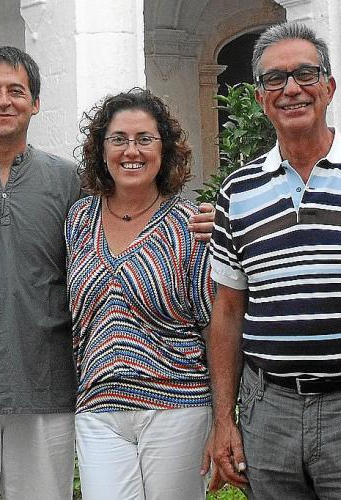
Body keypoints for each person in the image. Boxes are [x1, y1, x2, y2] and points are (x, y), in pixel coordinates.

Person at [0, 47, 216, 499]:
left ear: (35, 103)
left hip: (50, 391)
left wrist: (212, 223)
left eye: (16, 91)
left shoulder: (69, 185)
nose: (3, 101)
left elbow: (133, 216)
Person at [204, 21, 341, 499]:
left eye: (305, 74)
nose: (291, 89)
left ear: (329, 87)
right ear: (259, 97)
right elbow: (228, 311)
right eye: (275, 79)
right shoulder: (238, 192)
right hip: (270, 412)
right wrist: (224, 419)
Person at [66, 88, 215, 500]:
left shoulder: (190, 225)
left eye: (145, 139)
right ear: (102, 150)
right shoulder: (79, 220)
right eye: (118, 139)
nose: (131, 151)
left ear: (164, 149)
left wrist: (224, 418)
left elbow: (213, 326)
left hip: (177, 406)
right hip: (98, 406)